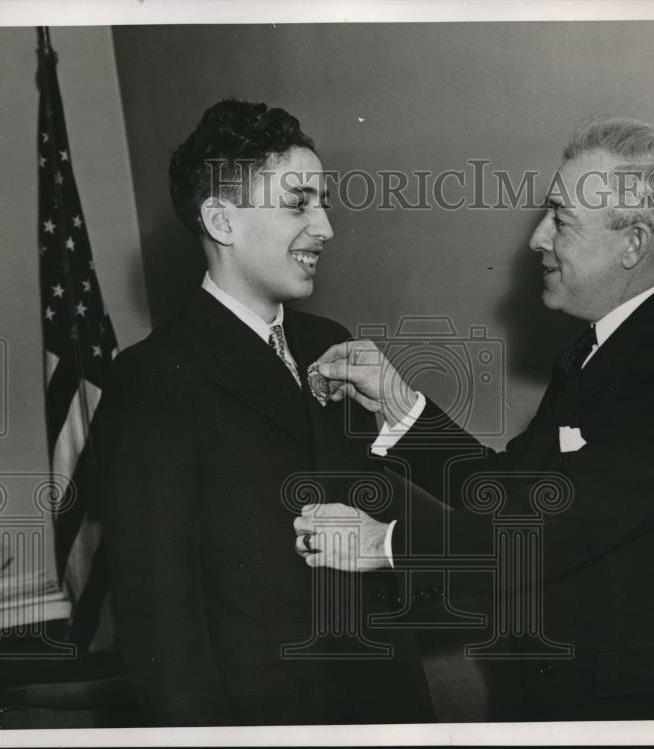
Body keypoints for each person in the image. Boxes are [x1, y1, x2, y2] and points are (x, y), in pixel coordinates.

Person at [297, 117, 654, 721]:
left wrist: (383, 543)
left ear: (632, 243)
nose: (536, 239)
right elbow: (513, 493)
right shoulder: (600, 350)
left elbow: (561, 525)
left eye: (560, 218)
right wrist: (398, 403)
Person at [95, 99, 433, 726]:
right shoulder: (151, 378)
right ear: (221, 221)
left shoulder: (330, 341)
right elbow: (159, 621)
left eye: (323, 202)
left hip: (387, 701)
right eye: (299, 203)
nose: (326, 227)